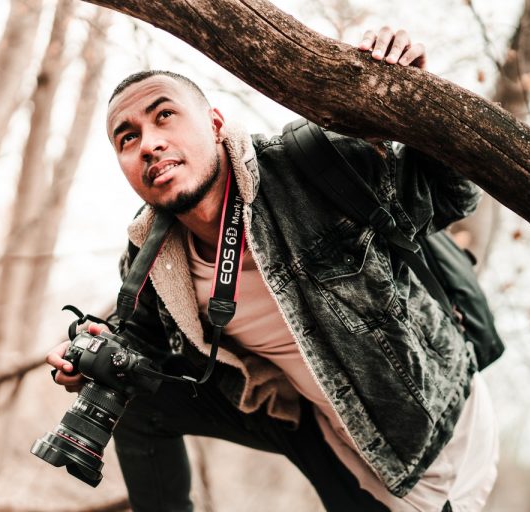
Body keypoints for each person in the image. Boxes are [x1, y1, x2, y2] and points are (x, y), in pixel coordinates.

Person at [46, 27, 498, 512]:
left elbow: (455, 195)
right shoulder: (148, 254)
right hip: (316, 429)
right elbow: (145, 344)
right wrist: (96, 350)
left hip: (433, 439)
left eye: (165, 117)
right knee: (133, 395)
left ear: (216, 123)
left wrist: (417, 100)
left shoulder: (309, 170)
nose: (149, 145)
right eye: (128, 138)